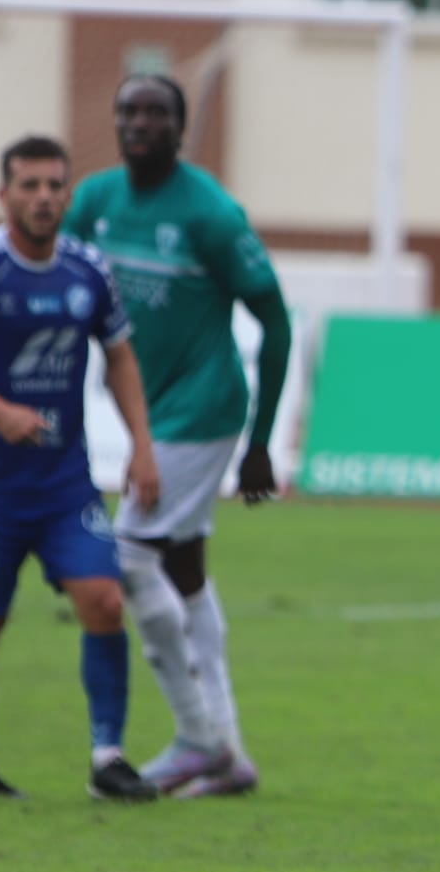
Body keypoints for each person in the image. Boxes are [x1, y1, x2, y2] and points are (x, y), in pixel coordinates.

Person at [63, 74, 294, 796]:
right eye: (128, 109)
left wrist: (260, 442)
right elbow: (62, 287)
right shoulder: (96, 201)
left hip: (204, 408)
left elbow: (276, 319)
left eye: (155, 112)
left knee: (129, 554)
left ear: (180, 125)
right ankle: (229, 750)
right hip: (147, 410)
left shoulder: (211, 213)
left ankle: (197, 738)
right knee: (183, 565)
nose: (140, 122)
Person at [0, 135, 161, 801]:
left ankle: (108, 757)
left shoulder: (88, 270)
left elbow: (121, 355)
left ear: (69, 195)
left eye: (54, 186)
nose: (43, 198)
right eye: (29, 185)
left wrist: (141, 444)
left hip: (64, 479)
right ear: (3, 194)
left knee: (103, 599)